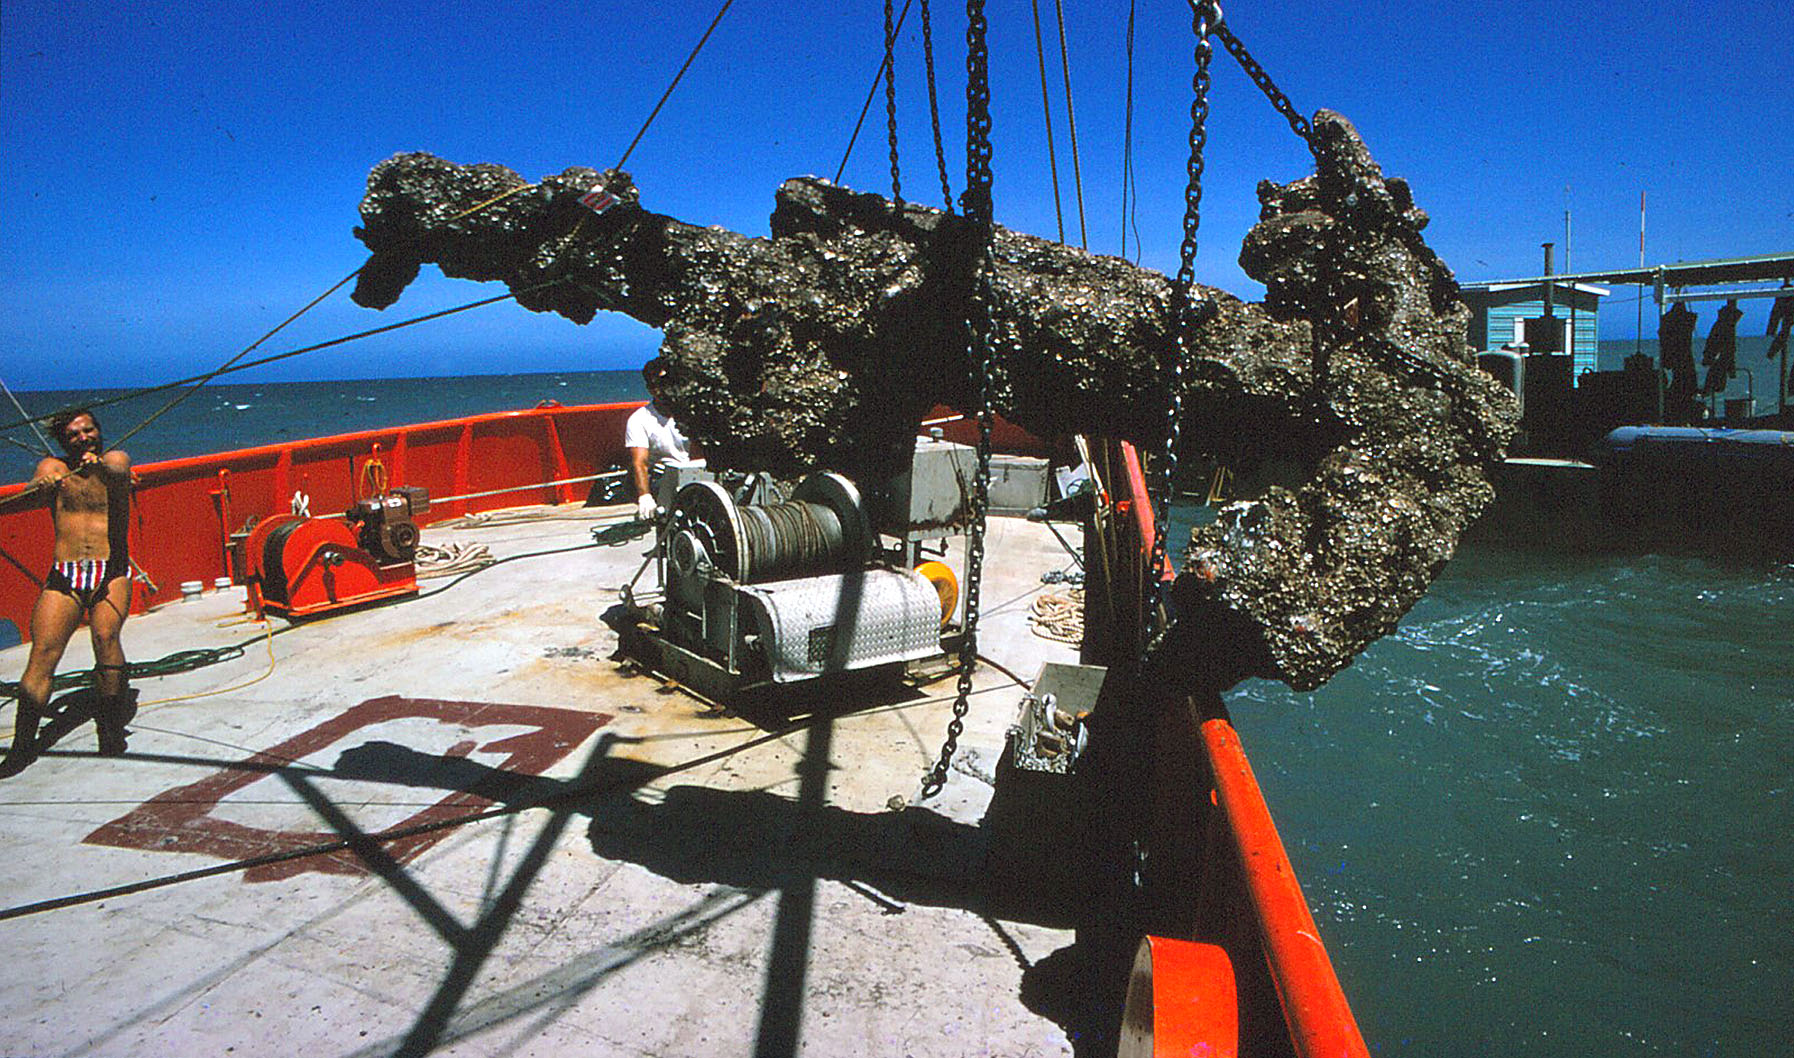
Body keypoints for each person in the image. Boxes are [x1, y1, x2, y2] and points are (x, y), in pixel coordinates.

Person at [2, 407, 135, 775]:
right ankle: (22, 746)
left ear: (98, 432)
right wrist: (38, 488)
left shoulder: (114, 459)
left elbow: (119, 474)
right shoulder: (54, 469)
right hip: (65, 572)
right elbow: (31, 491)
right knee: (43, 653)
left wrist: (99, 467)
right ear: (63, 441)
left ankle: (109, 729)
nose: (84, 438)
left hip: (111, 570)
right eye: (75, 434)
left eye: (89, 430)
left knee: (105, 637)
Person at [623, 357, 699, 520]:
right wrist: (645, 496)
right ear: (649, 388)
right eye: (654, 385)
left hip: (690, 471)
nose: (660, 391)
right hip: (660, 477)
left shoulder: (692, 413)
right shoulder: (638, 420)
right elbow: (640, 462)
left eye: (665, 384)